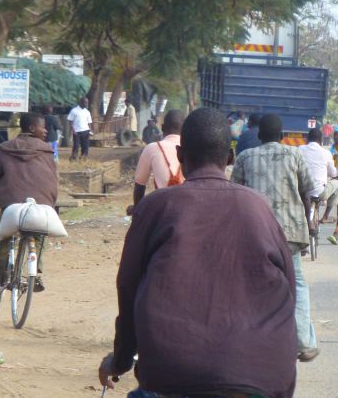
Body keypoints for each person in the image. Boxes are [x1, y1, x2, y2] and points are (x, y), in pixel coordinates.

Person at [99, 108, 297, 398]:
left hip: (172, 375)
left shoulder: (156, 207)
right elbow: (289, 286)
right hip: (262, 377)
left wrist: (121, 360)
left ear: (180, 155)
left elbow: (128, 287)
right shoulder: (259, 207)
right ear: (229, 158)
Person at [231, 114, 319, 363]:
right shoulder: (295, 155)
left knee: (252, 286)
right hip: (290, 233)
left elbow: (236, 193)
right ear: (282, 136)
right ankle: (303, 342)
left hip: (256, 233)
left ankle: (252, 342)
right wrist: (308, 223)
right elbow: (308, 191)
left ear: (258, 136)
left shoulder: (245, 158)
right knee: (298, 283)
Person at [0, 112, 58, 298]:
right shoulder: (47, 151)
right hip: (41, 204)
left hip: (12, 204)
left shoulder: (5, 148)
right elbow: (53, 180)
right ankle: (35, 273)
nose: (46, 131)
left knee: (2, 241)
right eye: (42, 127)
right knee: (40, 234)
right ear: (31, 128)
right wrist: (50, 202)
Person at [131, 110, 184, 213]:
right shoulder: (193, 149)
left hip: (162, 211)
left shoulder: (152, 148)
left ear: (162, 127)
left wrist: (137, 212)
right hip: (188, 210)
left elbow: (139, 185)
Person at [299, 128, 338, 225]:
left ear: (307, 139)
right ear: (321, 140)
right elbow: (333, 173)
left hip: (301, 191)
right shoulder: (326, 153)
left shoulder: (299, 149)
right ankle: (325, 217)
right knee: (337, 184)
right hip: (320, 192)